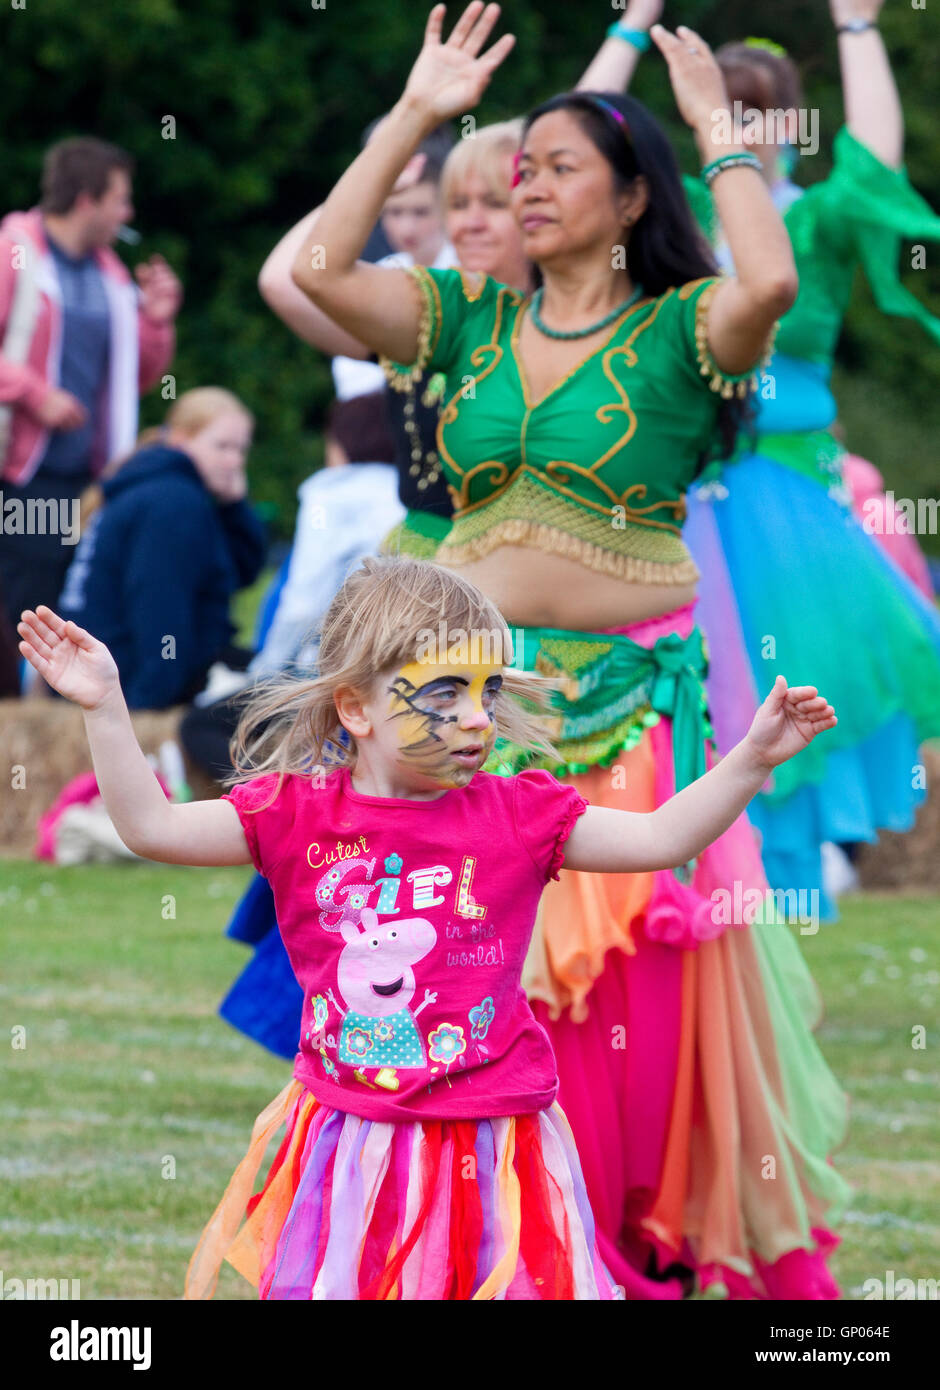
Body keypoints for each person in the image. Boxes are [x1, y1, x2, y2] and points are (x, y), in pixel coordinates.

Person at [287, 2, 852, 1299]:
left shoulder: (685, 333)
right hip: (463, 711)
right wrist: (413, 117)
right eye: (517, 166)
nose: (523, 186)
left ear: (628, 195)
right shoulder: (466, 320)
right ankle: (479, 1240)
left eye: (554, 168)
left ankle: (606, 1241)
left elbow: (770, 282)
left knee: (618, 1007)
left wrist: (720, 130)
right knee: (460, 977)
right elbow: (317, 271)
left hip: (621, 707)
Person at [16, 558, 838, 1300]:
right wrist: (106, 706)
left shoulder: (522, 815)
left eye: (489, 691)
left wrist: (752, 759)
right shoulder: (299, 813)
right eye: (444, 692)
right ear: (356, 707)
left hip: (498, 1142)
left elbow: (662, 837)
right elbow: (151, 827)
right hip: (353, 1142)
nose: (478, 717)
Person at [666, 3, 940, 915]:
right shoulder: (679, 217)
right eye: (725, 112)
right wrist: (634, 30)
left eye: (762, 112)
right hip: (685, 495)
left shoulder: (816, 224)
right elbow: (567, 156)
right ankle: (695, 928)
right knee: (691, 710)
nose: (743, 130)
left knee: (791, 713)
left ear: (790, 123)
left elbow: (874, 163)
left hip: (789, 511)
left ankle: (783, 939)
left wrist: (860, 27)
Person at [0, 137, 182, 649]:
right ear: (86, 199)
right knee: (30, 598)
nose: (128, 213)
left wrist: (156, 322)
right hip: (22, 474)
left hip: (87, 475)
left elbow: (133, 379)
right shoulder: (12, 252)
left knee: (69, 598)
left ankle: (57, 710)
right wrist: (37, 395)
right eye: (120, 200)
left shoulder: (110, 274)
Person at [179, 392, 405, 784]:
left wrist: (266, 674)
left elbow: (304, 602)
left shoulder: (330, 492)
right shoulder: (409, 497)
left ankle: (278, 803)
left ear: (343, 440)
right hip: (396, 666)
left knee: (199, 726)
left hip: (330, 668)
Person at [57, 388, 266, 710]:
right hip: (125, 685)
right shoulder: (174, 503)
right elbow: (159, 608)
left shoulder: (151, 485)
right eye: (222, 446)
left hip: (97, 674)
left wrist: (234, 505)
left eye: (241, 450)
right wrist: (146, 711)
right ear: (180, 440)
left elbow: (240, 570)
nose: (235, 461)